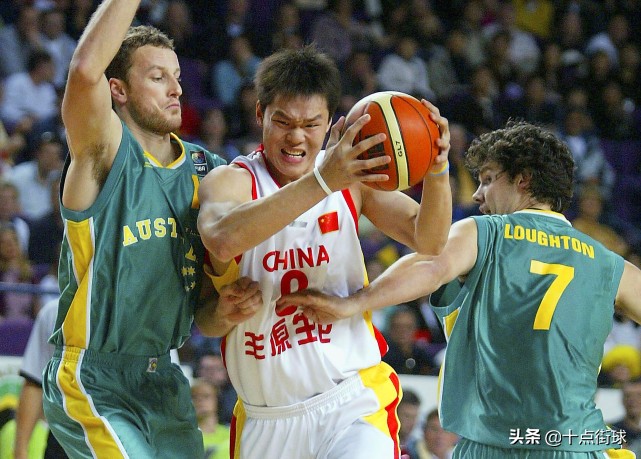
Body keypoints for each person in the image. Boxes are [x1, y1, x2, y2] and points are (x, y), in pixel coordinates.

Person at [278, 120, 641, 458]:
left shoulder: (487, 232)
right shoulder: (610, 262)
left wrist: (355, 302)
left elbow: (431, 263)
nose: (479, 194)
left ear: (523, 180)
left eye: (487, 179)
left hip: (495, 443)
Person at [197, 44, 452, 458]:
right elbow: (222, 241)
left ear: (331, 122)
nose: (296, 137)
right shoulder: (231, 182)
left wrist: (438, 170)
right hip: (267, 420)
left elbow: (431, 240)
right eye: (283, 122)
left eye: (311, 124)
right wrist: (322, 180)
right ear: (260, 114)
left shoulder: (352, 179)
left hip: (350, 402)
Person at [40, 1, 261, 457]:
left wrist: (228, 311)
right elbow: (84, 71)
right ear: (117, 90)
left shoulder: (208, 169)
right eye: (158, 77)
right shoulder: (102, 152)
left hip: (165, 379)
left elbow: (204, 312)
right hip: (94, 375)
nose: (175, 89)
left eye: (177, 77)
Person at [12, 299, 68, 459]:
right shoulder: (55, 311)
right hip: (63, 439)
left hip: (120, 439)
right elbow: (35, 383)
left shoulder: (135, 314)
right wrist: (20, 450)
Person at [190, 378, 231, 459]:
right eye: (194, 397)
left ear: (217, 400)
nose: (199, 400)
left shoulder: (231, 434)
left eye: (206, 396)